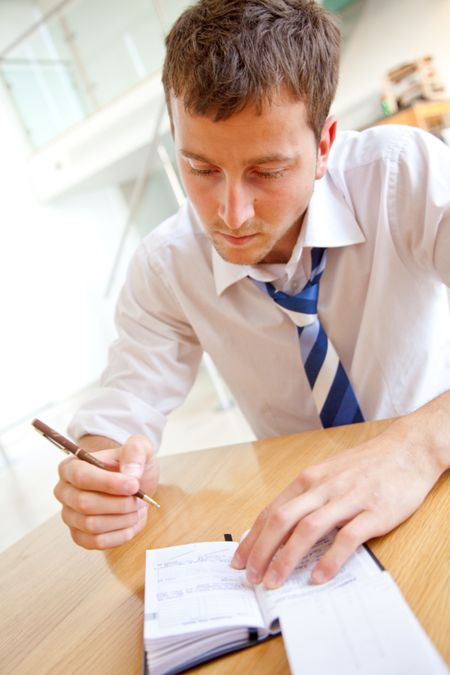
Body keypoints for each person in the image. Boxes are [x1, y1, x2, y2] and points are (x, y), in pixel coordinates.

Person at [54, 0, 450, 589]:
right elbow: (124, 404)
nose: (230, 214)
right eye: (200, 168)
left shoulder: (402, 173)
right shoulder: (166, 265)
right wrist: (101, 470)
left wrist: (416, 447)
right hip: (302, 529)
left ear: (324, 146)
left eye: (266, 172)